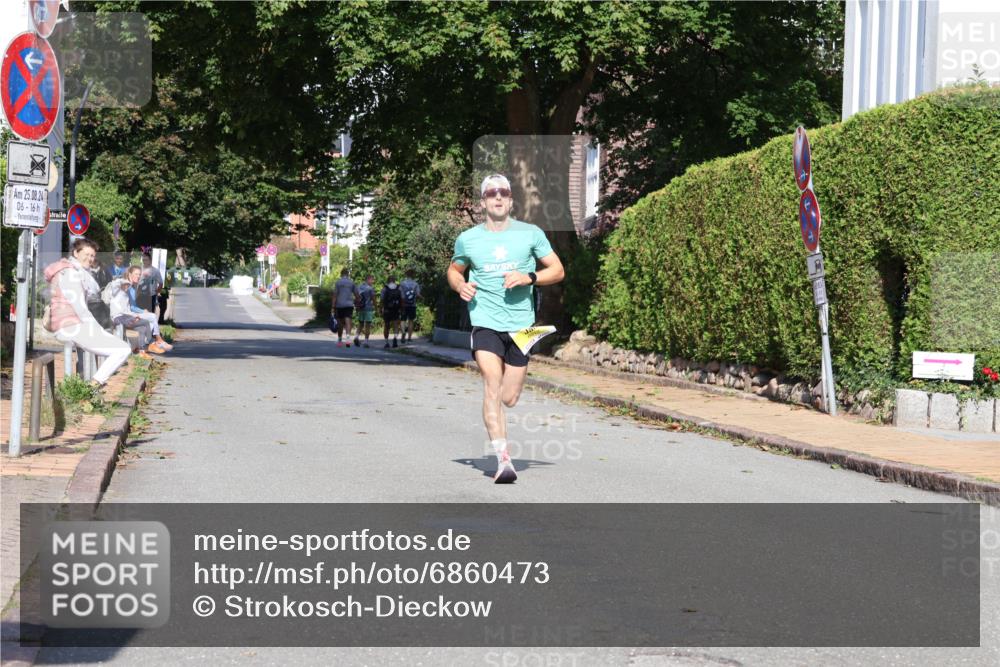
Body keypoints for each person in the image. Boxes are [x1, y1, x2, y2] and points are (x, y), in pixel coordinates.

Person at [447, 174, 565, 483]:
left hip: (521, 328)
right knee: (492, 384)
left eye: (504, 192)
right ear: (483, 201)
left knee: (509, 397)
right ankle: (503, 461)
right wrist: (460, 284)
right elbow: (454, 269)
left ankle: (503, 443)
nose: (498, 197)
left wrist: (530, 277)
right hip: (485, 321)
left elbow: (557, 269)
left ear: (511, 200)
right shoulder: (468, 239)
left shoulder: (530, 234)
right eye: (491, 193)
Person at [44, 239, 132, 389]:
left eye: (93, 255)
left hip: (70, 324)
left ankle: (90, 385)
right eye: (87, 254)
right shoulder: (71, 273)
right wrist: (96, 328)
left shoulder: (74, 271)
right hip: (72, 325)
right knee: (123, 350)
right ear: (76, 253)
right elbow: (80, 308)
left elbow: (95, 294)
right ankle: (92, 387)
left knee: (118, 349)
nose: (90, 259)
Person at [108, 266, 169, 359]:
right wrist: (124, 281)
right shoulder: (118, 289)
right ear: (129, 275)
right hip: (119, 317)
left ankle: (142, 350)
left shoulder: (126, 293)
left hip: (126, 316)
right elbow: (115, 285)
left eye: (139, 274)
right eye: (136, 274)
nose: (126, 287)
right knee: (145, 322)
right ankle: (150, 345)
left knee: (142, 328)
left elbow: (127, 309)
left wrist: (135, 315)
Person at [333, 268, 359, 347]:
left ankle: (340, 340)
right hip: (349, 305)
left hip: (339, 305)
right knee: (348, 321)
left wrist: (332, 306)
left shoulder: (338, 282)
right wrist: (357, 303)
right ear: (348, 274)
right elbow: (357, 295)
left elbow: (335, 295)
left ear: (341, 274)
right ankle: (348, 339)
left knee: (340, 323)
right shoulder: (351, 283)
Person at [399, 269, 421, 343]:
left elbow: (400, 294)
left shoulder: (402, 283)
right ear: (413, 275)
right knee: (411, 321)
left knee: (403, 320)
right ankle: (409, 337)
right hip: (412, 305)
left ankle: (403, 332)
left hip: (403, 305)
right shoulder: (415, 284)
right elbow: (417, 295)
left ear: (406, 275)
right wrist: (421, 298)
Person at [380, 276, 403, 348]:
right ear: (394, 280)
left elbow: (382, 300)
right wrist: (402, 308)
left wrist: (381, 309)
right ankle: (395, 339)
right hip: (396, 309)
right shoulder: (399, 288)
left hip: (387, 309)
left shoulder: (384, 288)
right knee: (396, 325)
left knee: (387, 326)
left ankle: (386, 342)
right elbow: (402, 299)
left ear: (388, 281)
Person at [354, 275, 376, 348]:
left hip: (361, 308)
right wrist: (376, 307)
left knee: (360, 323)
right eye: (372, 280)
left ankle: (356, 337)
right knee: (368, 325)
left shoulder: (359, 287)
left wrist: (357, 307)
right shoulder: (370, 288)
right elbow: (373, 299)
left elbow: (356, 297)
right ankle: (366, 342)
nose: (373, 282)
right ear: (368, 279)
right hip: (368, 308)